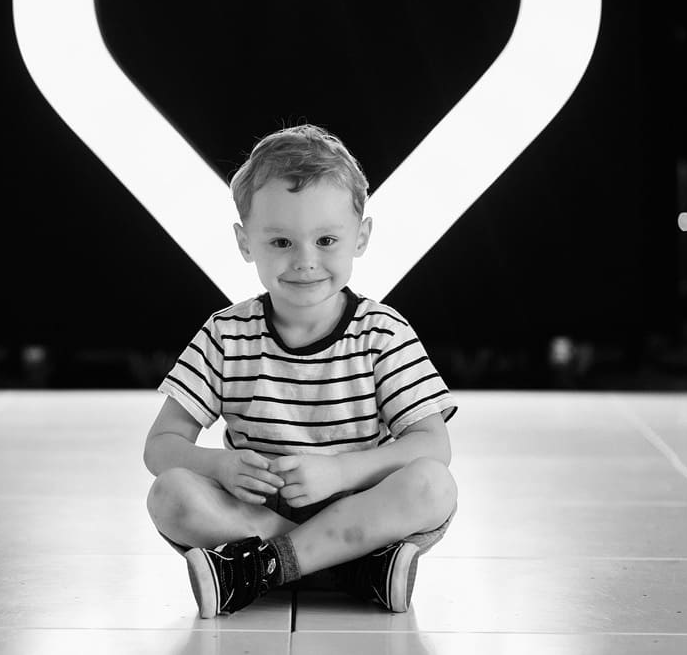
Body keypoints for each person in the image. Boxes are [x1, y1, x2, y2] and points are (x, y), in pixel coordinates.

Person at [143, 123, 458, 618]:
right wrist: (219, 466)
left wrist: (339, 471)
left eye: (327, 239)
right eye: (282, 242)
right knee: (170, 496)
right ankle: (351, 566)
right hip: (256, 513)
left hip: (359, 505)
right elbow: (160, 447)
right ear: (246, 243)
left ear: (362, 236)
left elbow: (432, 444)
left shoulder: (382, 332)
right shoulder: (226, 334)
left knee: (433, 485)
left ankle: (259, 568)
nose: (306, 262)